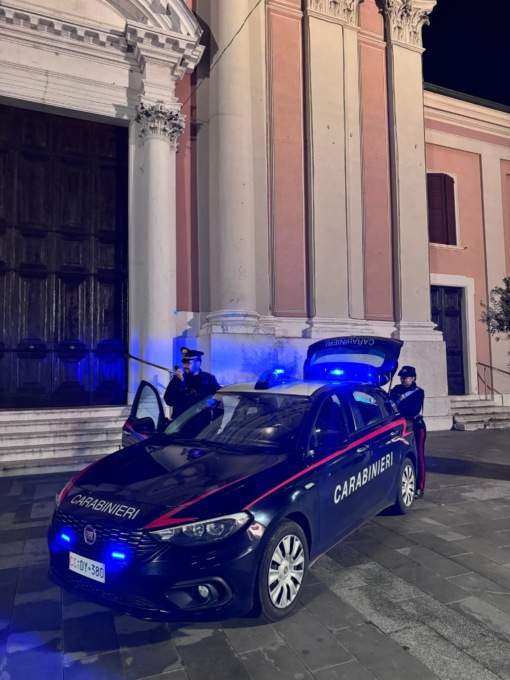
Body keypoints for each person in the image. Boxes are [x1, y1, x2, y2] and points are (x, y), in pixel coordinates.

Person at [389, 365, 426, 498]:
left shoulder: (418, 392)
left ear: (413, 378)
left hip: (416, 426)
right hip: (399, 426)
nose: (403, 379)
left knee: (419, 456)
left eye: (406, 377)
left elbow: (412, 410)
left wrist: (397, 410)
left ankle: (419, 487)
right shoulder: (395, 390)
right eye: (402, 377)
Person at [164, 347, 221, 420]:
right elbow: (169, 401)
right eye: (183, 363)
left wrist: (212, 402)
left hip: (201, 423)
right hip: (180, 422)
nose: (184, 366)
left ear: (198, 364)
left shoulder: (209, 379)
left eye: (188, 363)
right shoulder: (178, 379)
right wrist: (179, 381)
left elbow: (219, 398)